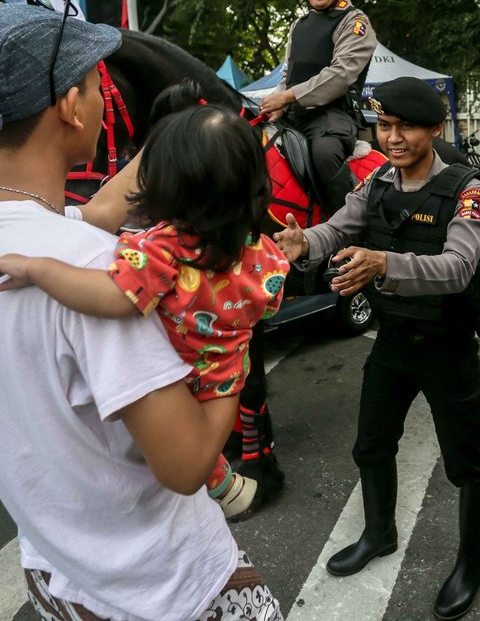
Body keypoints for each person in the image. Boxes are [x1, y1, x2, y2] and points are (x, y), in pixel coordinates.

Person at [0, 2, 284, 621]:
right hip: (158, 587)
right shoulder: (98, 268)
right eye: (97, 83)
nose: (106, 98)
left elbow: (99, 210)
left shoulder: (45, 232)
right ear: (71, 109)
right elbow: (184, 466)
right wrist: (231, 353)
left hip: (56, 570)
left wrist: (181, 144)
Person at [0, 82, 289, 518]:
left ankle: (225, 486)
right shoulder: (262, 252)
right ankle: (231, 485)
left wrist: (39, 268)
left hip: (183, 379)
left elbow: (116, 298)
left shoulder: (161, 248)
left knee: (190, 455)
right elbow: (268, 302)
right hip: (225, 374)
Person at [273, 76, 480, 621]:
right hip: (392, 344)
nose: (393, 137)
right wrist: (303, 243)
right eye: (384, 126)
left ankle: (471, 564)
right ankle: (378, 534)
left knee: (469, 464)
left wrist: (385, 263)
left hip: (448, 347)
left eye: (406, 126)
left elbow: (459, 267)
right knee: (370, 446)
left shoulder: (466, 188)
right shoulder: (378, 182)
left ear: (435, 129)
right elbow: (337, 229)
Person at [260, 0, 376, 214]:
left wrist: (287, 97)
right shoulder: (298, 26)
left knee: (323, 155)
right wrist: (276, 104)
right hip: (293, 117)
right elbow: (288, 75)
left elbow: (340, 75)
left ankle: (348, 229)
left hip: (332, 118)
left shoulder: (355, 22)